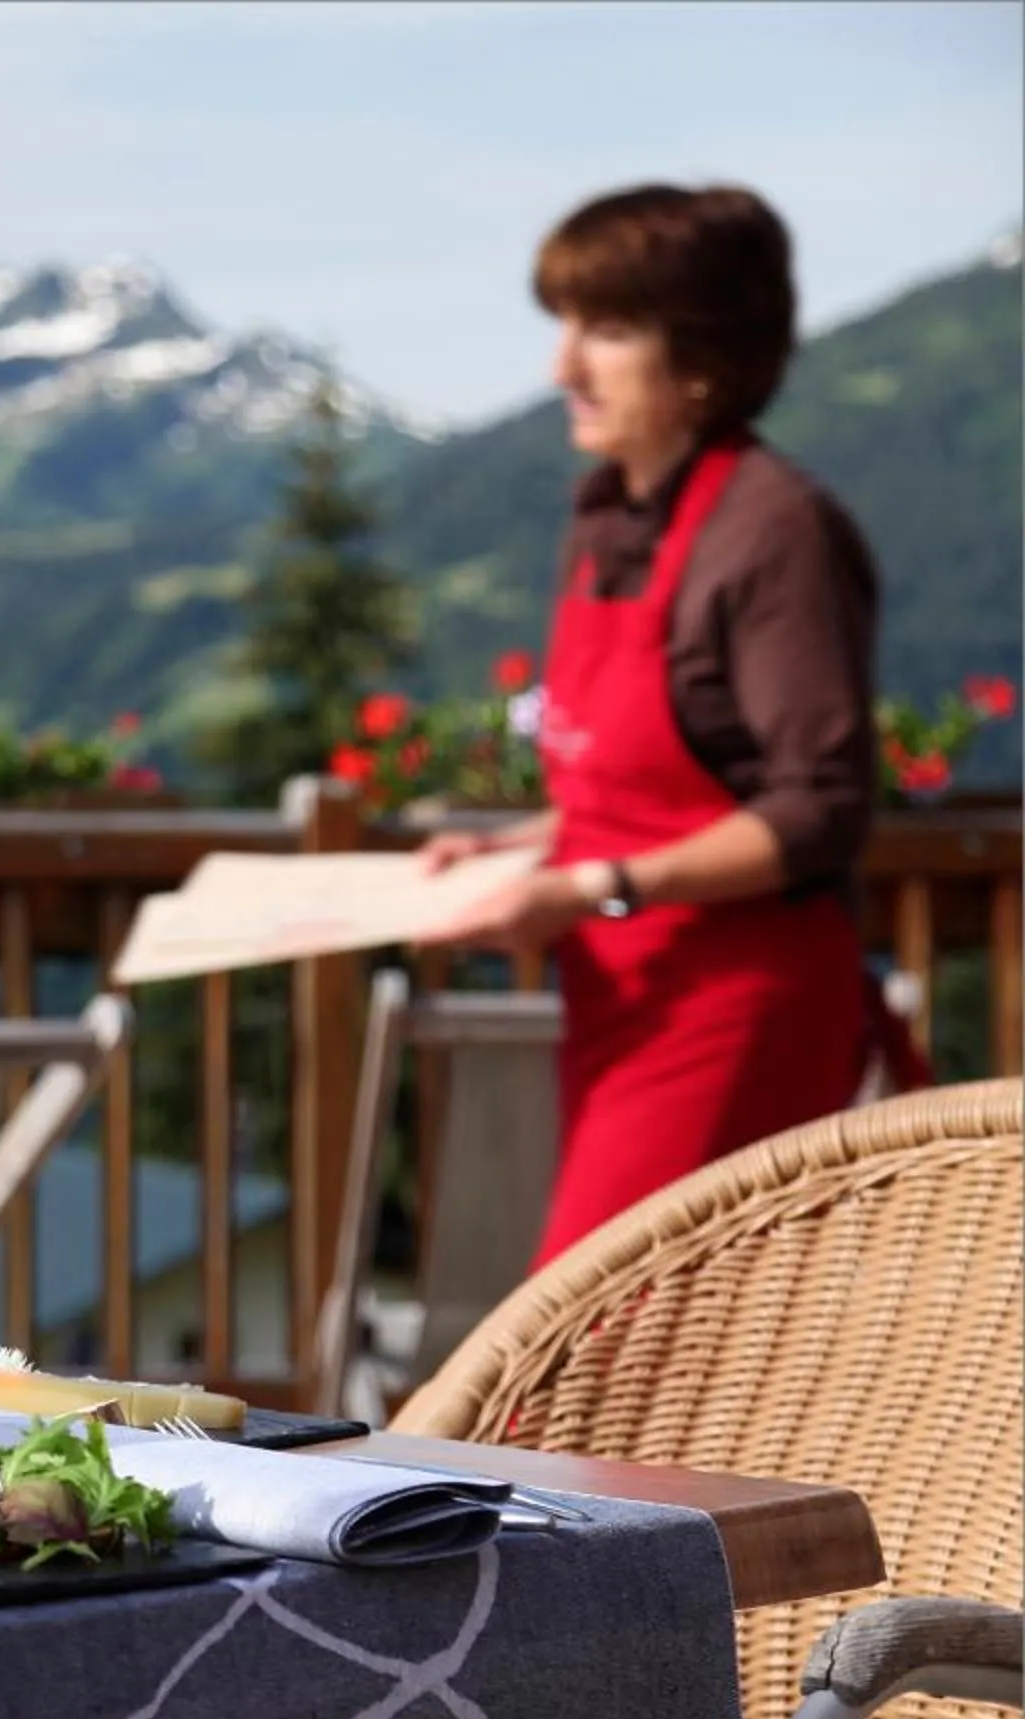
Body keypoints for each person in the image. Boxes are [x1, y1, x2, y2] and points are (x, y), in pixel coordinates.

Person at [416, 182, 911, 1268]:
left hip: (733, 1007)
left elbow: (816, 810)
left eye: (609, 330)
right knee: (625, 1349)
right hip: (622, 996)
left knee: (596, 1343)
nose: (563, 367)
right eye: (565, 325)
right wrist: (513, 849)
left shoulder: (777, 530)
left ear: (704, 356)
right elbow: (634, 794)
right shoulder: (611, 517)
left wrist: (592, 886)